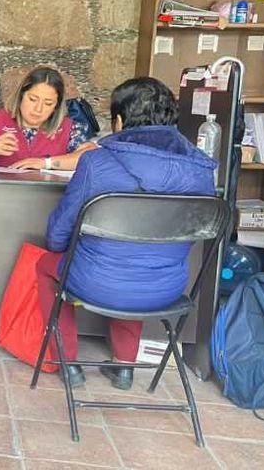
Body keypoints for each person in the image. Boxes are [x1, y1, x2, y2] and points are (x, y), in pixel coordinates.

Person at [38, 77, 216, 390]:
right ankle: (124, 367)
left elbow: (57, 236)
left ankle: (68, 362)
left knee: (47, 265)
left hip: (98, 284)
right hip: (168, 291)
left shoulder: (96, 162)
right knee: (138, 260)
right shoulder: (202, 171)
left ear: (119, 121)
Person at [0, 67, 94, 170]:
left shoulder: (71, 129)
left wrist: (46, 163)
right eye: (32, 99)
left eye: (48, 103)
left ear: (56, 106)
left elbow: (90, 158)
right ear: (21, 96)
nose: (38, 109)